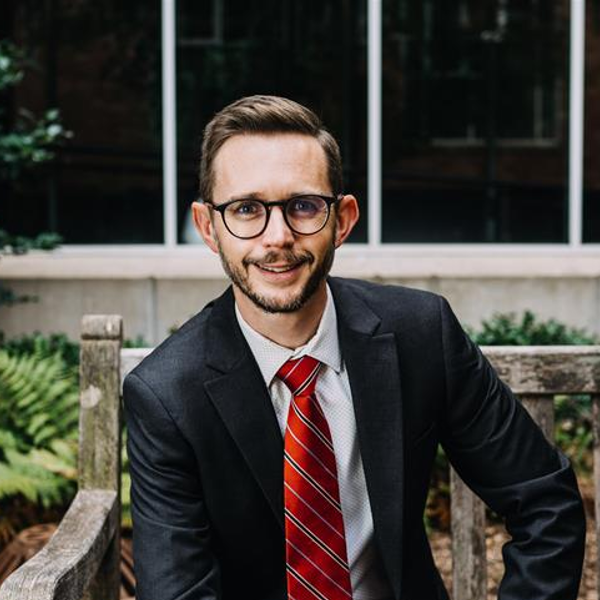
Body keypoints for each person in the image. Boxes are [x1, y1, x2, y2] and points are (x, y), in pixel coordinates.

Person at [123, 95, 586, 600]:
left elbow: (546, 502)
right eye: (246, 209)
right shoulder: (167, 395)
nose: (276, 237)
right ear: (209, 227)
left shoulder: (420, 333)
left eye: (303, 206)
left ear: (341, 219)